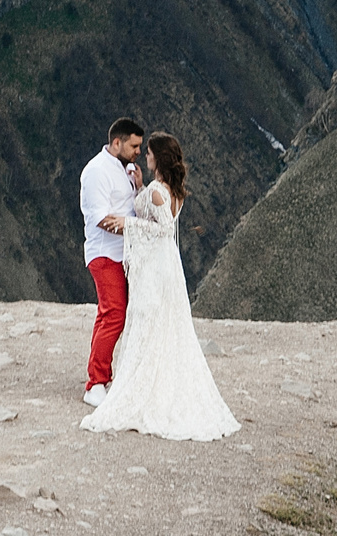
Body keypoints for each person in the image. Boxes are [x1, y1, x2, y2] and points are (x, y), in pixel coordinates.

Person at [80, 131, 240, 441]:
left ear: (158, 158)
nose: (144, 155)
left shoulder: (157, 190)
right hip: (165, 265)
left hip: (154, 268)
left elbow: (163, 229)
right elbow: (161, 215)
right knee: (159, 325)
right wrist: (139, 187)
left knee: (145, 322)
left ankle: (129, 383)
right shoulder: (170, 190)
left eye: (148, 151)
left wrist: (129, 223)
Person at [80, 117, 143, 405]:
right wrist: (135, 226)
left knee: (113, 314)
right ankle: (95, 383)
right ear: (117, 143)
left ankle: (103, 375)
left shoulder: (124, 169)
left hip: (123, 253)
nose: (138, 152)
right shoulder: (96, 172)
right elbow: (99, 219)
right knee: (114, 314)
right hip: (105, 254)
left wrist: (138, 187)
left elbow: (126, 206)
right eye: (134, 146)